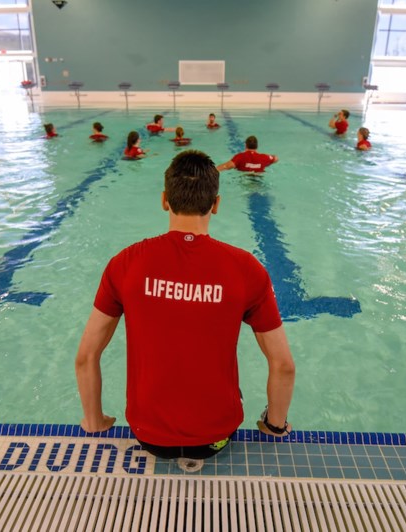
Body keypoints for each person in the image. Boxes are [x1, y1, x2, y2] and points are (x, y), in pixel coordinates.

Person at [75, 150, 296, 463]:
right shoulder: (246, 269)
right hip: (216, 438)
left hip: (147, 435)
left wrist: (94, 421)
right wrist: (275, 425)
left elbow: (85, 356)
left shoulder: (126, 263)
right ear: (216, 205)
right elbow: (283, 364)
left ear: (164, 200)